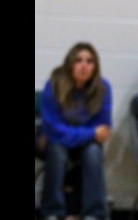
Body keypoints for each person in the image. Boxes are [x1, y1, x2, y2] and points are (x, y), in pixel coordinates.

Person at [37, 42, 112, 220]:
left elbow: (103, 129)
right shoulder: (54, 85)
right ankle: (52, 212)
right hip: (52, 141)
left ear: (96, 67)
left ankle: (94, 214)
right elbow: (53, 130)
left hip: (84, 144)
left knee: (93, 151)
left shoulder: (103, 88)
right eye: (78, 60)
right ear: (69, 63)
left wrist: (86, 135)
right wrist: (89, 133)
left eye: (90, 61)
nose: (84, 65)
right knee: (56, 149)